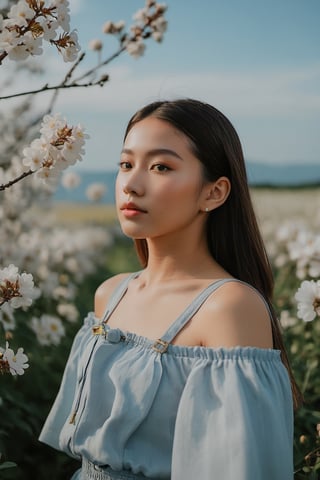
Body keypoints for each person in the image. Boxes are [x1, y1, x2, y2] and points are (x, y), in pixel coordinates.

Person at [39, 98, 301, 480]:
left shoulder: (228, 307)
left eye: (161, 166)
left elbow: (241, 466)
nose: (131, 183)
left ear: (214, 192)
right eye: (126, 164)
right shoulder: (110, 296)